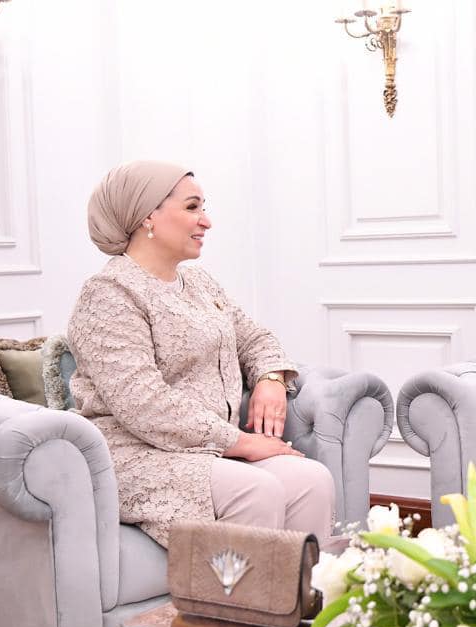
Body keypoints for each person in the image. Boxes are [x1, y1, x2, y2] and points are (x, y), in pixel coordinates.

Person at [68, 160, 337, 549]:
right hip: (135, 454)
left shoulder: (199, 282)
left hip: (206, 451)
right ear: (147, 217)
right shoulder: (109, 293)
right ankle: (234, 592)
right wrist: (239, 442)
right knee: (256, 490)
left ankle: (303, 590)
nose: (206, 221)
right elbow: (142, 402)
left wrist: (270, 379)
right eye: (192, 207)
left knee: (312, 480)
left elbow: (254, 338)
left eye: (203, 208)